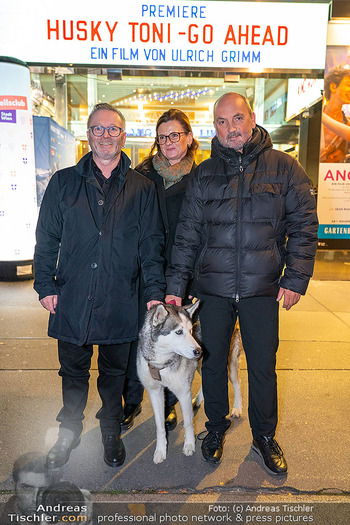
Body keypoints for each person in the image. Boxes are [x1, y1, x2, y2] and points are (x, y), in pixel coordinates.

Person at [166, 92, 318, 474]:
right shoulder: (203, 173)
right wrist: (176, 284)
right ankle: (214, 429)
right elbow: (187, 234)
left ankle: (264, 436)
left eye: (236, 119)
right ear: (213, 127)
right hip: (212, 288)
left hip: (261, 288)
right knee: (213, 363)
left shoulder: (285, 168)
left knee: (263, 366)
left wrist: (296, 278)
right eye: (221, 121)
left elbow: (303, 226)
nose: (230, 128)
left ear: (252, 118)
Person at [34, 103, 165, 469]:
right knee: (72, 371)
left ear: (123, 136)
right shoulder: (63, 182)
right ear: (87, 134)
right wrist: (45, 285)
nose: (105, 135)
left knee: (113, 375)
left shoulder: (143, 188)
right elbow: (46, 239)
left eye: (113, 129)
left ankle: (110, 430)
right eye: (97, 129)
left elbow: (152, 246)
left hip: (119, 297)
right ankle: (69, 431)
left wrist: (154, 293)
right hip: (72, 295)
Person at [121, 108, 199, 432]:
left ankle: (167, 405)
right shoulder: (142, 177)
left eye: (175, 135)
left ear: (189, 138)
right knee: (138, 340)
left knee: (173, 346)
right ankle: (131, 399)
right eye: (162, 136)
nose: (168, 142)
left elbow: (205, 231)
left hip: (184, 274)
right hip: (145, 272)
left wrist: (196, 276)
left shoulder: (201, 178)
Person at [320, 66, 350, 163]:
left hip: (336, 176)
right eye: (348, 84)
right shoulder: (313, 120)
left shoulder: (347, 123)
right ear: (333, 86)